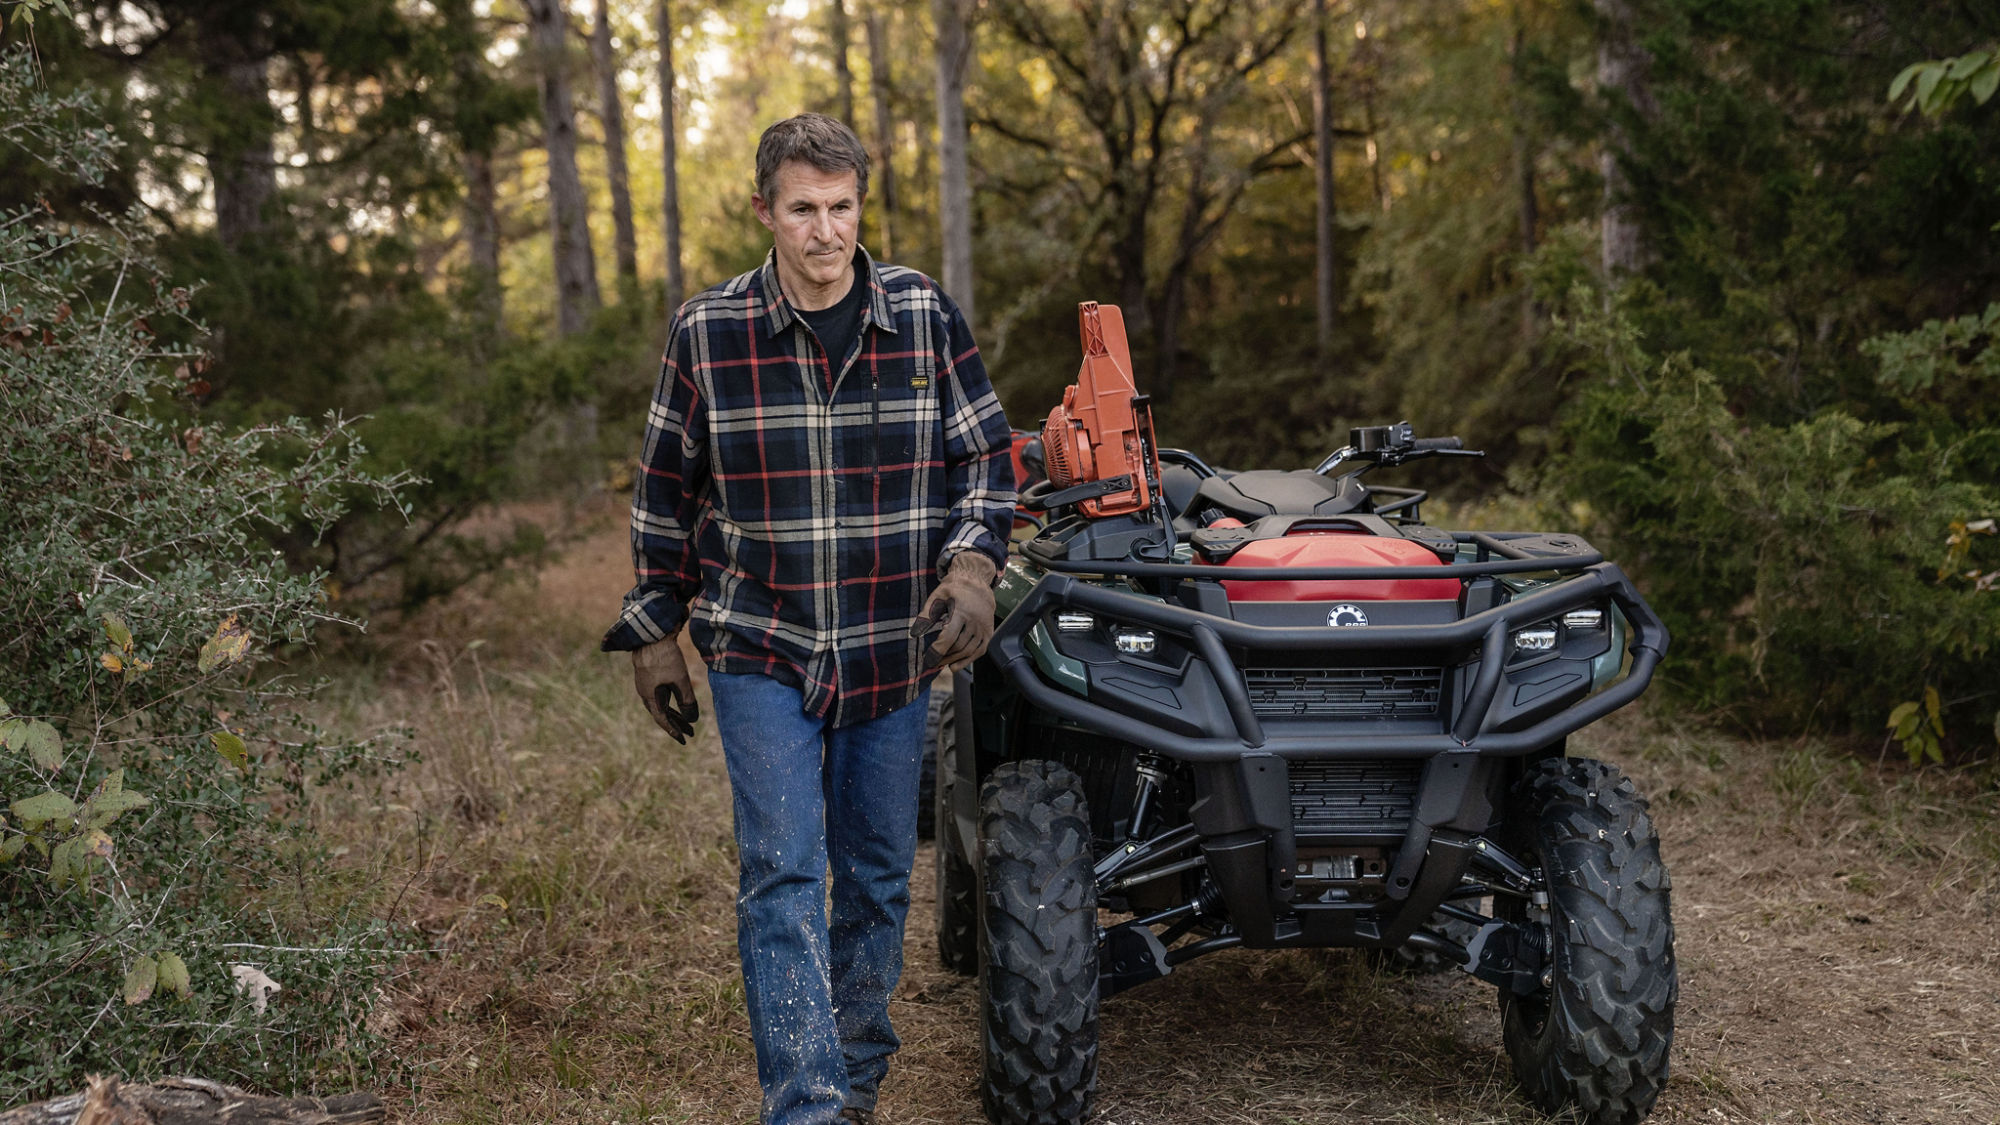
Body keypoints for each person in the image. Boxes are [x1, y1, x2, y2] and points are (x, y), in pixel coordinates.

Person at [601, 113, 1015, 1125]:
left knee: (875, 876)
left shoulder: (921, 314)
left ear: (859, 206)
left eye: (841, 208)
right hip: (761, 643)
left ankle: (857, 1072)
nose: (825, 232)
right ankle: (808, 1103)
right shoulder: (710, 332)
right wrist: (656, 629)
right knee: (782, 872)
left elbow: (986, 457)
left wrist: (970, 566)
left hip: (889, 647)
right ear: (765, 212)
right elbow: (663, 489)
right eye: (802, 210)